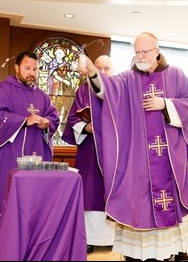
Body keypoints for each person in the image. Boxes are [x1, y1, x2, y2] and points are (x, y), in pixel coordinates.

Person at [78, 32, 188, 261]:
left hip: (167, 158)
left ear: (157, 51)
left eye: (145, 51)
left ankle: (171, 252)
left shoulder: (176, 75)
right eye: (137, 52)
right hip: (139, 159)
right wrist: (93, 72)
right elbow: (106, 91)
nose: (141, 56)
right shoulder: (127, 79)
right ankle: (138, 255)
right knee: (138, 206)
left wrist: (165, 104)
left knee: (167, 209)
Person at [0, 51, 60, 261]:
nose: (32, 73)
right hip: (5, 158)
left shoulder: (42, 96)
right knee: (1, 199)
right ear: (17, 68)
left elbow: (54, 117)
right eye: (27, 68)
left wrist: (47, 123)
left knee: (31, 201)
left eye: (35, 69)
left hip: (36, 158)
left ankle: (26, 247)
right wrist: (24, 120)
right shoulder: (1, 91)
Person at [62, 55, 116, 254]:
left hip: (113, 150)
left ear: (112, 70)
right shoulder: (82, 91)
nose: (102, 72)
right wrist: (86, 127)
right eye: (98, 67)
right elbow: (72, 118)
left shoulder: (118, 90)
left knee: (110, 190)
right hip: (89, 150)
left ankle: (113, 238)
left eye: (107, 68)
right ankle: (89, 238)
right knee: (90, 191)